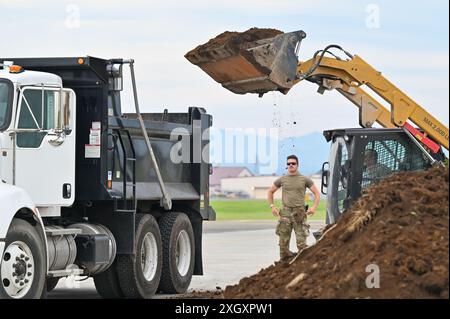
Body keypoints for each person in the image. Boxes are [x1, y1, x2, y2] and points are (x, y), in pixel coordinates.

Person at [267, 155, 321, 260]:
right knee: (283, 244)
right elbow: (270, 191)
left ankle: (301, 266)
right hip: (285, 213)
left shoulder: (304, 179)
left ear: (297, 165)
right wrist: (272, 206)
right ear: (287, 166)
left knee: (302, 245)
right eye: (289, 164)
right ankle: (284, 267)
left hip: (299, 214)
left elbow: (317, 193)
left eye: (293, 163)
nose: (291, 165)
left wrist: (314, 207)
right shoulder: (282, 179)